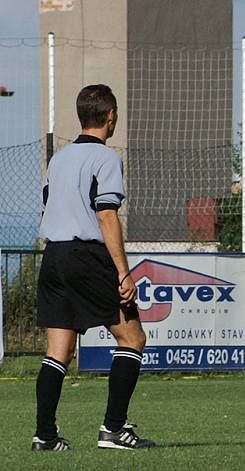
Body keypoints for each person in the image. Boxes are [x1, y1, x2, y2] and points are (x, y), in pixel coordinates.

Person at [32, 84, 155, 451]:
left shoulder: (59, 159)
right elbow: (105, 214)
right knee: (132, 338)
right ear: (111, 115)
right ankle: (114, 430)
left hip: (53, 256)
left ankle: (45, 436)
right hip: (86, 257)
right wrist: (123, 271)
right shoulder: (106, 158)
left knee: (58, 351)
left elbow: (47, 206)